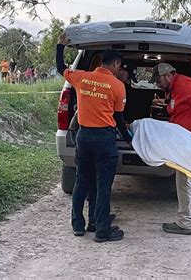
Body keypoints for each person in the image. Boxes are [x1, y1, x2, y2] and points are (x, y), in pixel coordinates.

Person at [56, 33, 132, 243]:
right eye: (120, 66)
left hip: (84, 137)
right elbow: (118, 119)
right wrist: (130, 140)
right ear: (115, 64)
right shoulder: (117, 86)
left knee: (82, 181)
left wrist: (60, 46)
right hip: (104, 139)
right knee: (103, 186)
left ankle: (79, 225)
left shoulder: (82, 77)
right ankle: (102, 231)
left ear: (100, 62)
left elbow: (60, 67)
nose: (119, 69)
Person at [148, 63, 191, 235]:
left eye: (158, 80)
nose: (157, 84)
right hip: (188, 136)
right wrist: (165, 104)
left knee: (184, 179)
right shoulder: (175, 88)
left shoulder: (185, 86)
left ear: (168, 75)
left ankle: (185, 222)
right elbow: (178, 108)